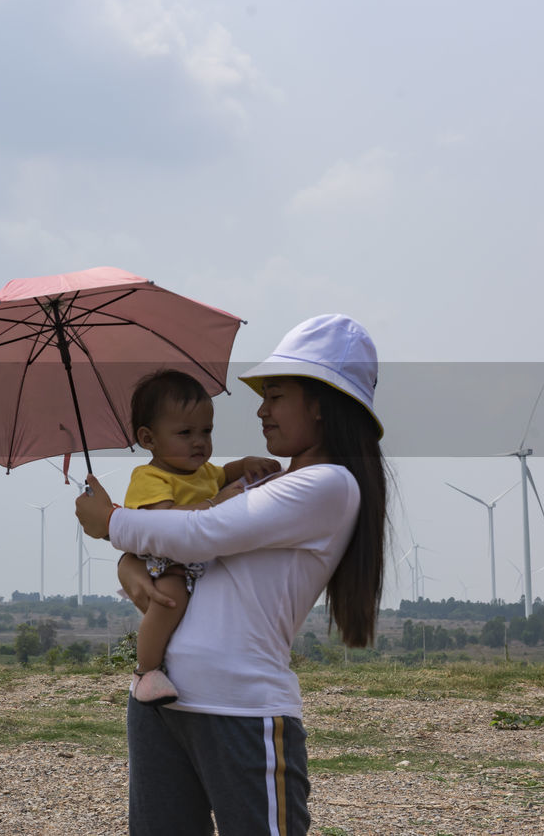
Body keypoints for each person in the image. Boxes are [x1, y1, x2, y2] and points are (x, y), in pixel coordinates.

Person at [76, 314, 388, 836]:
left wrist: (111, 523)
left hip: (242, 709)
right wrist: (131, 565)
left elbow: (201, 532)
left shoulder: (329, 485)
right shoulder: (266, 484)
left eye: (276, 395)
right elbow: (189, 546)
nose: (261, 409)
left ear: (320, 401)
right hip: (163, 703)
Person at [122, 369, 279, 706]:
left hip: (197, 561)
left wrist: (247, 463)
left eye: (206, 431)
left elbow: (226, 472)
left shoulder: (203, 471)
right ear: (149, 439)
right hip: (164, 565)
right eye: (185, 433)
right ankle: (146, 671)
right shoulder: (149, 477)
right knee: (170, 598)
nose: (199, 442)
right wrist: (213, 504)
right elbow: (161, 522)